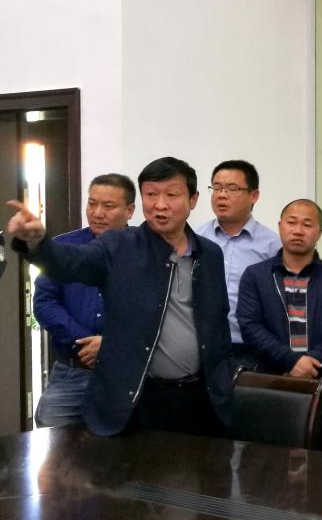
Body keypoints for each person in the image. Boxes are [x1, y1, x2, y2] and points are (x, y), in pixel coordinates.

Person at [7, 157, 233, 437]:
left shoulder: (210, 254)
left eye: (172, 195)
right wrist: (37, 242)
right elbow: (71, 262)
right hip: (135, 399)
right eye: (151, 194)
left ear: (193, 199)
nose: (160, 204)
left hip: (197, 398)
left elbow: (217, 322)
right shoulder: (118, 246)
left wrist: (223, 379)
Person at [236, 199, 322, 452]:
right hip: (271, 385)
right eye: (291, 222)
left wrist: (309, 363)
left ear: (319, 233)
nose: (298, 230)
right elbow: (250, 326)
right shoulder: (256, 276)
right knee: (267, 463)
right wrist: (291, 361)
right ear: (280, 226)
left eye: (307, 224)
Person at [34, 173, 136, 427]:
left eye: (108, 206)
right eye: (92, 203)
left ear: (130, 210)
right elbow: (45, 303)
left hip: (127, 374)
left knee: (126, 444)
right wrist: (84, 341)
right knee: (52, 436)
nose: (97, 213)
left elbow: (155, 310)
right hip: (72, 370)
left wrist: (110, 344)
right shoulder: (63, 247)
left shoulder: (145, 251)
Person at [195, 160, 279, 374]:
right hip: (201, 347)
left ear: (254, 196)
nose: (221, 195)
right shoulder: (195, 239)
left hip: (251, 350)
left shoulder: (272, 246)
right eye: (216, 187)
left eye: (231, 188)